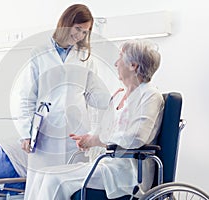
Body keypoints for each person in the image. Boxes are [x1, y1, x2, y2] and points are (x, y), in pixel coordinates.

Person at [25, 39, 165, 199]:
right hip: (107, 164)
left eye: (120, 57)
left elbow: (136, 138)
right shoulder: (120, 95)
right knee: (43, 173)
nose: (116, 63)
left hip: (129, 172)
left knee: (54, 180)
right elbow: (104, 130)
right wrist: (89, 138)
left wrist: (97, 141)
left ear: (133, 65)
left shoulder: (150, 96)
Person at [14, 4, 111, 199]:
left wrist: (116, 100)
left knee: (71, 186)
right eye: (78, 29)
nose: (80, 36)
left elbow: (94, 93)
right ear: (66, 24)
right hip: (44, 132)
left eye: (85, 32)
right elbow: (26, 96)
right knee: (41, 186)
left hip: (74, 132)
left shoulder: (85, 57)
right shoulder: (39, 52)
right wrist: (25, 133)